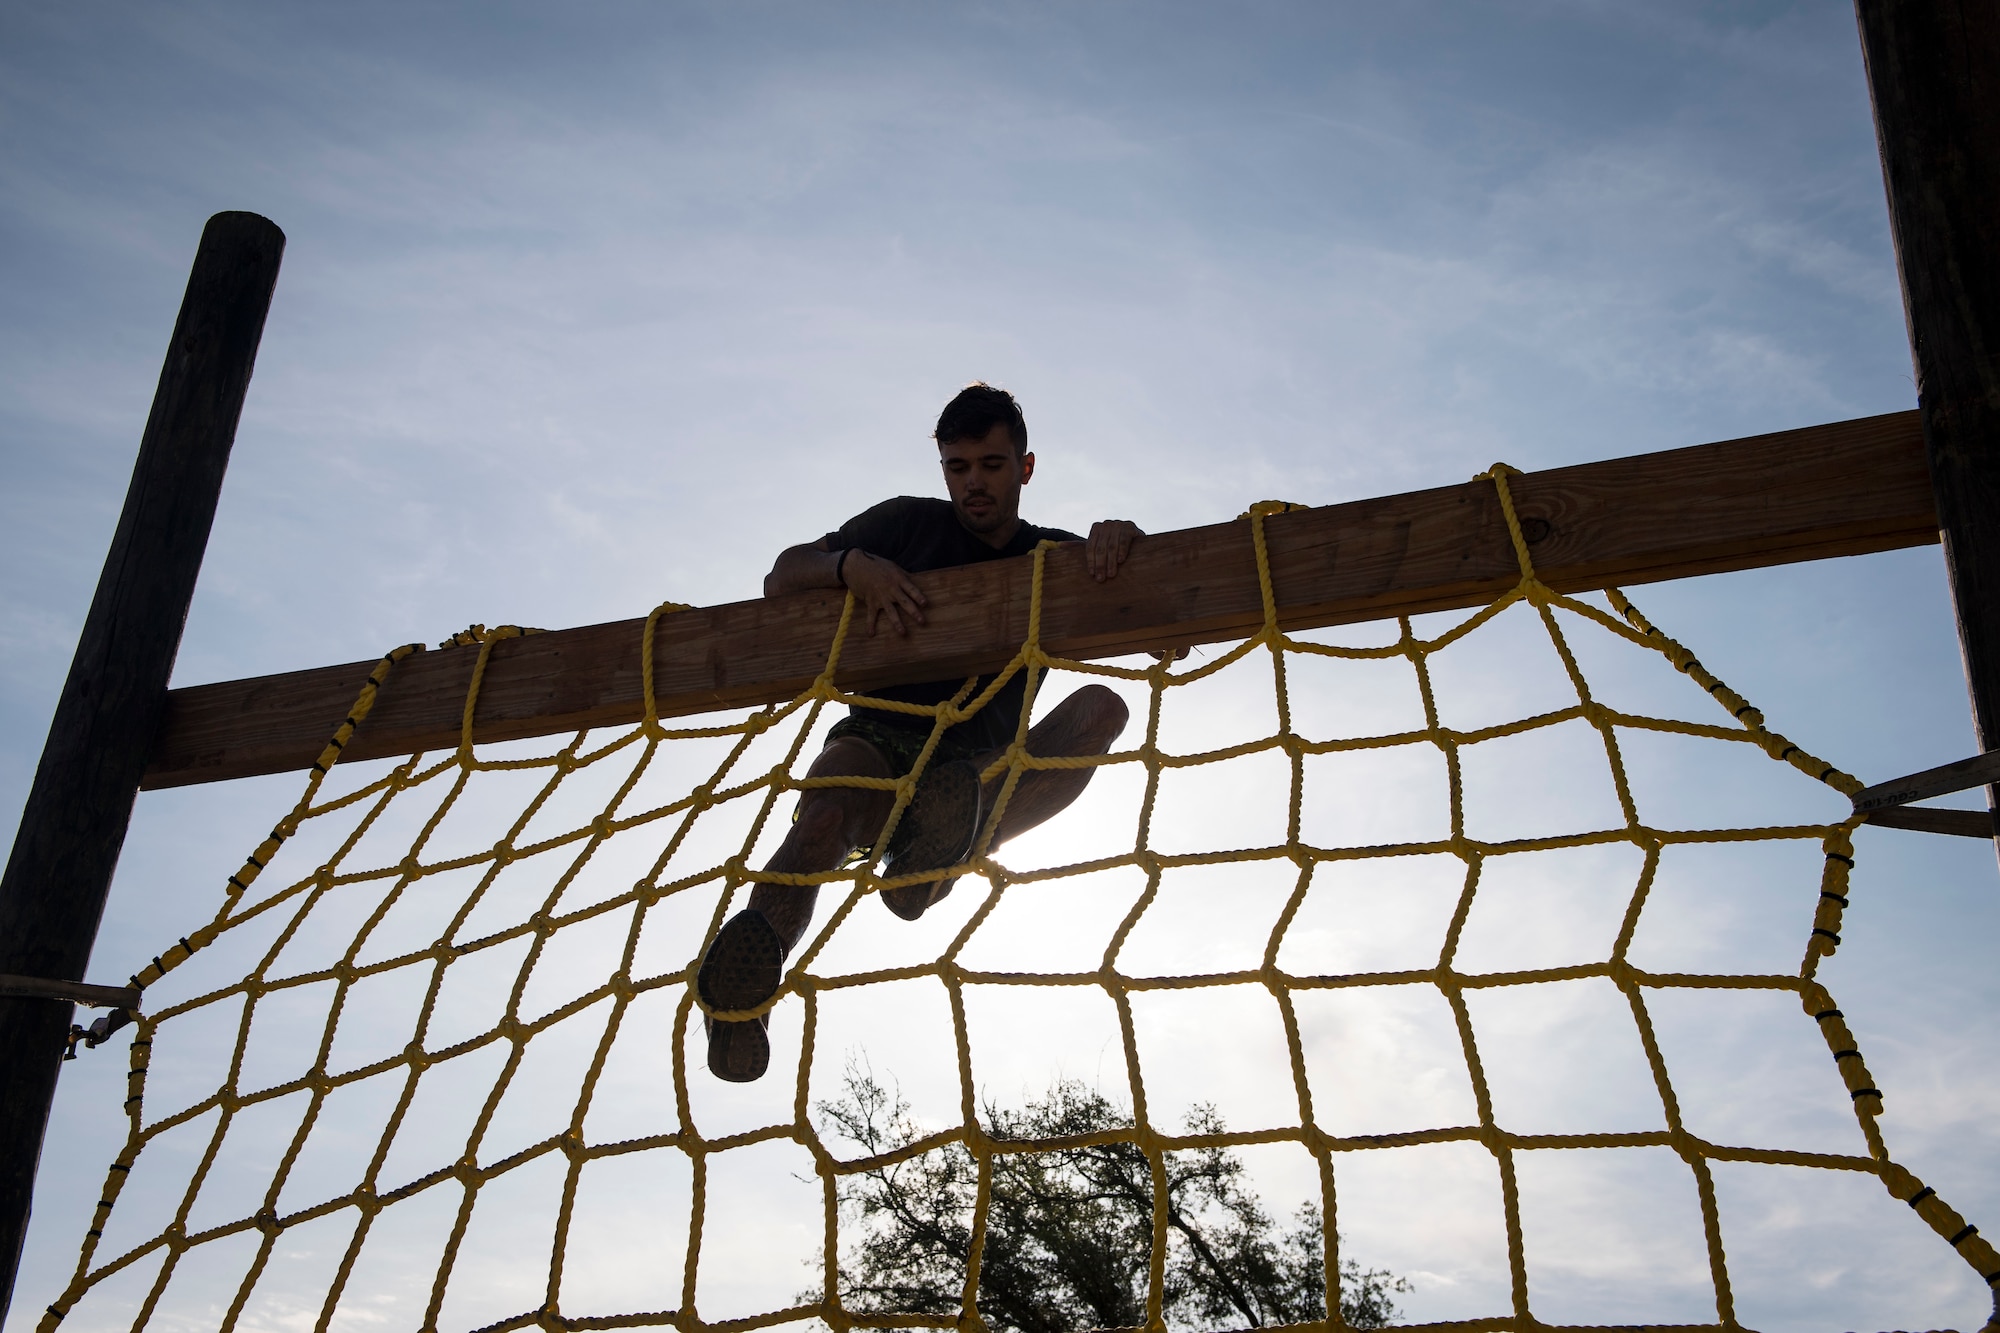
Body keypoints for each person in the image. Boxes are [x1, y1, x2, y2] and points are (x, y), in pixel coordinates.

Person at [697, 383, 1144, 1081]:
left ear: (1025, 469)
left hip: (974, 769)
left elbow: (1167, 628)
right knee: (826, 813)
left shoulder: (1053, 557)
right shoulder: (903, 525)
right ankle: (741, 1005)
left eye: (992, 465)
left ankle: (931, 863)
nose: (974, 483)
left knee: (1101, 709)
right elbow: (781, 576)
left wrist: (1128, 546)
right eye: (958, 466)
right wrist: (849, 566)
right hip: (881, 737)